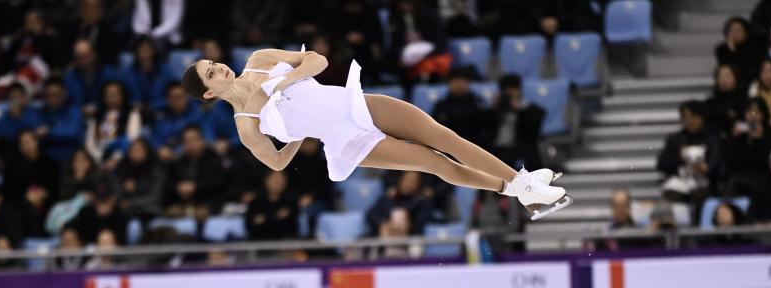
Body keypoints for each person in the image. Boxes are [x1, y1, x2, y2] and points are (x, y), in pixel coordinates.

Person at [181, 47, 569, 220]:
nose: (220, 69)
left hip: (356, 104)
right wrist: (300, 132)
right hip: (349, 141)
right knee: (434, 164)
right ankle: (517, 192)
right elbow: (278, 163)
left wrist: (287, 83)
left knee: (442, 137)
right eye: (211, 73)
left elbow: (317, 59)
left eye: (214, 63)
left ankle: (522, 182)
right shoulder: (246, 124)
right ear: (210, 93)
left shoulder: (259, 61)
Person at [657, 100, 722, 205]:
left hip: (704, 183)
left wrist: (707, 167)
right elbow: (661, 164)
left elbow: (716, 159)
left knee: (700, 196)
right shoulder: (676, 139)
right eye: (686, 117)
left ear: (701, 117)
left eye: (693, 117)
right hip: (682, 181)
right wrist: (678, 156)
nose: (690, 121)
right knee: (671, 194)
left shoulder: (712, 138)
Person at [724, 97, 771, 196]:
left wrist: (760, 140)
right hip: (740, 175)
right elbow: (730, 162)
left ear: (764, 114)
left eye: (757, 112)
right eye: (750, 112)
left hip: (765, 176)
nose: (753, 116)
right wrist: (734, 140)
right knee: (733, 183)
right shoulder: (740, 133)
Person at [245, 170, 299, 239]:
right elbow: (250, 225)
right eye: (275, 179)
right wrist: (276, 217)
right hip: (260, 244)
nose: (277, 183)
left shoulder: (291, 202)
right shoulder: (256, 202)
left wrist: (265, 219)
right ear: (267, 180)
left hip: (285, 244)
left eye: (281, 179)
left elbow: (292, 227)